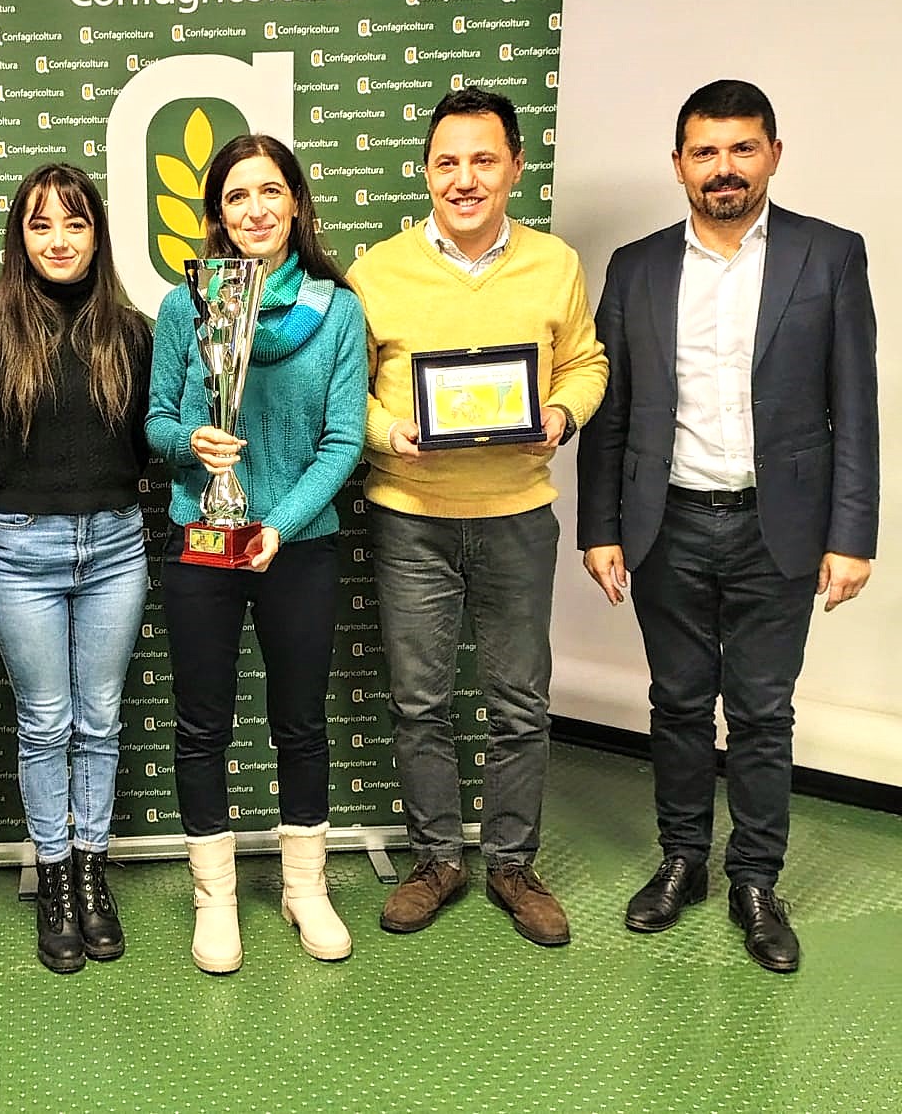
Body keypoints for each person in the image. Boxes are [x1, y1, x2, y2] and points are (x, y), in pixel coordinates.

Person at [576, 79, 878, 973]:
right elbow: (612, 413)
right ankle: (682, 859)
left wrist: (852, 534)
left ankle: (755, 879)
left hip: (777, 528)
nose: (724, 168)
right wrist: (600, 527)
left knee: (761, 712)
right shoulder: (636, 266)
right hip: (666, 522)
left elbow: (856, 406)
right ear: (678, 165)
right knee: (675, 703)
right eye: (705, 152)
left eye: (742, 148)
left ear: (774, 153)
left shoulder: (829, 256)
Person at [347, 86, 607, 946]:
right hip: (411, 516)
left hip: (516, 516)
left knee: (519, 703)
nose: (465, 179)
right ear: (425, 171)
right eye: (447, 162)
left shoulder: (555, 264)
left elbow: (587, 362)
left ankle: (511, 863)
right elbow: (347, 392)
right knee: (419, 701)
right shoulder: (378, 271)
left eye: (484, 160)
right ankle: (435, 859)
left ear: (515, 167)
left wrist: (561, 412)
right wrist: (389, 429)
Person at [146, 133, 367, 973]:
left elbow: (343, 439)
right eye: (236, 196)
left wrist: (280, 522)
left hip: (296, 545)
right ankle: (216, 896)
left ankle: (305, 887)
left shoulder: (337, 310)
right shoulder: (185, 305)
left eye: (270, 191)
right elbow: (156, 421)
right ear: (216, 215)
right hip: (203, 537)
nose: (255, 209)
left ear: (296, 202)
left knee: (300, 721)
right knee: (201, 721)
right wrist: (190, 442)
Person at [0, 164, 151, 974]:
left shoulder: (132, 332)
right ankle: (53, 876)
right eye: (41, 224)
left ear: (97, 234)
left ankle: (91, 871)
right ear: (21, 236)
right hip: (22, 549)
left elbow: (147, 441)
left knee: (100, 719)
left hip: (116, 546)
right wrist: (23, 509)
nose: (59, 240)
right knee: (46, 722)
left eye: (74, 223)